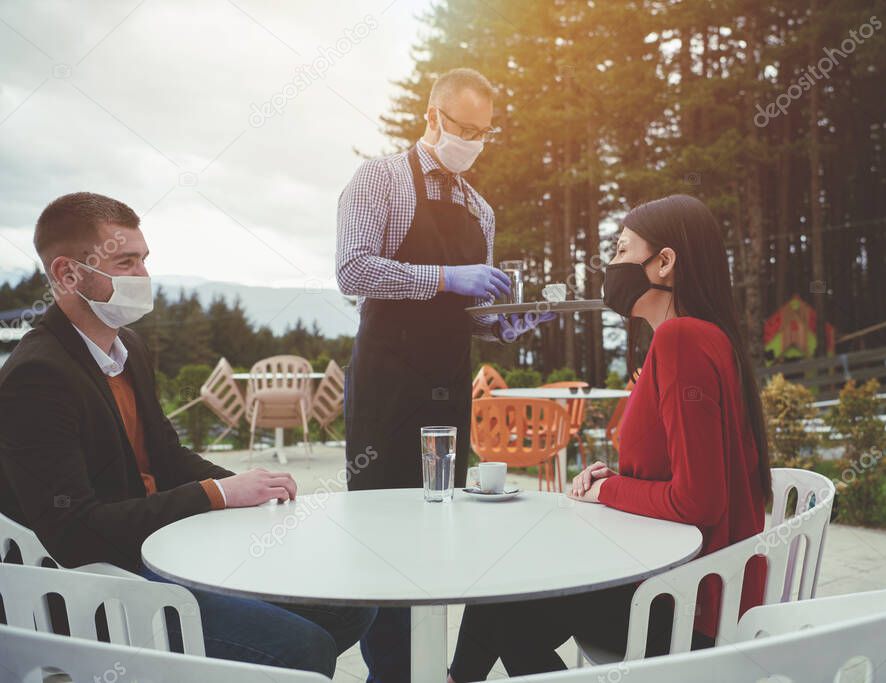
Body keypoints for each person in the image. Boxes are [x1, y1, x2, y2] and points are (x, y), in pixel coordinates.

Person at [0, 192, 376, 679]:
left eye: (144, 260)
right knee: (300, 647)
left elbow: (168, 455)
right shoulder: (38, 377)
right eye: (126, 262)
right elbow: (75, 533)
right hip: (96, 586)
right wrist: (216, 495)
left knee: (351, 606)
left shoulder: (127, 347)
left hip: (155, 552)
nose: (143, 276)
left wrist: (248, 488)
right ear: (68, 274)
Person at [446, 194, 771, 680]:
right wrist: (620, 480)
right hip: (693, 584)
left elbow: (700, 500)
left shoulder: (681, 340)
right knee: (510, 593)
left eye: (621, 250)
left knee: (506, 590)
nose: (612, 265)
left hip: (688, 606)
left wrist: (608, 490)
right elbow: (689, 473)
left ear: (664, 263)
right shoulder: (704, 336)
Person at [336, 67, 552, 681]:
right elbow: (353, 272)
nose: (473, 141)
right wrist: (444, 276)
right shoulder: (379, 181)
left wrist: (504, 325)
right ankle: (392, 673)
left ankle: (446, 665)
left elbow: (470, 314)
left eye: (485, 132)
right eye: (463, 128)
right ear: (432, 117)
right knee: (384, 535)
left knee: (441, 523)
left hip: (448, 389)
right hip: (385, 388)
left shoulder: (480, 210)